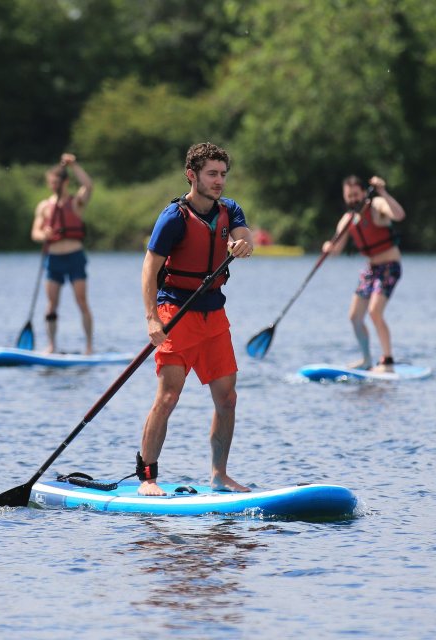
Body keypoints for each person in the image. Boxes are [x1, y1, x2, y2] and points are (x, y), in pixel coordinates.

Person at [136, 142, 254, 497]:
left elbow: (243, 236)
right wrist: (152, 319)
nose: (219, 181)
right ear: (192, 175)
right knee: (169, 396)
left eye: (222, 174)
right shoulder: (174, 217)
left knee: (227, 398)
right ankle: (147, 478)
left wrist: (243, 244)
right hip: (177, 313)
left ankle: (219, 475)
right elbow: (149, 269)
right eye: (212, 174)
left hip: (214, 316)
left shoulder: (229, 210)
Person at [322, 175, 407, 372]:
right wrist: (328, 247)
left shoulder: (377, 206)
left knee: (375, 311)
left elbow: (399, 215)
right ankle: (367, 359)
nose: (353, 199)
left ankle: (387, 361)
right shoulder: (347, 220)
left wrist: (383, 192)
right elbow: (336, 251)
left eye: (356, 195)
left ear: (363, 194)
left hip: (390, 265)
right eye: (349, 196)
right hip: (371, 269)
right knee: (354, 317)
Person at [30, 153, 94, 354]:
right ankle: (51, 345)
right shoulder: (44, 206)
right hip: (54, 259)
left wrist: (74, 165)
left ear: (65, 182)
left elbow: (89, 186)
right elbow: (35, 232)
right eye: (51, 182)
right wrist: (44, 235)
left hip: (74, 257)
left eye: (56, 182)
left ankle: (89, 346)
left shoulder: (76, 203)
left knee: (81, 301)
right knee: (51, 304)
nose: (53, 185)